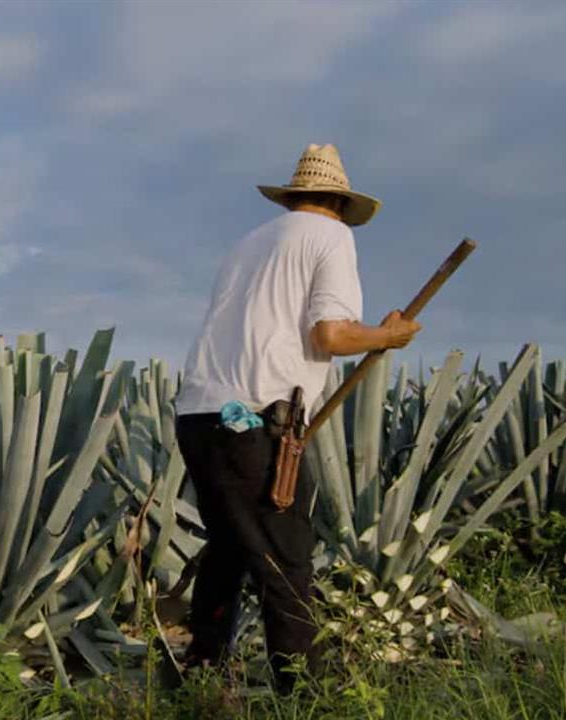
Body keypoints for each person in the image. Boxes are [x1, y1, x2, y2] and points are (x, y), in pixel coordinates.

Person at [173, 143, 421, 693]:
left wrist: (376, 334)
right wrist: (389, 336)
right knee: (286, 560)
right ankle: (304, 694)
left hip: (198, 414)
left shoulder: (248, 245)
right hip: (258, 419)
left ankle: (202, 673)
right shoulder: (332, 237)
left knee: (231, 546)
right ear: (338, 201)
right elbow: (330, 335)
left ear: (294, 198)